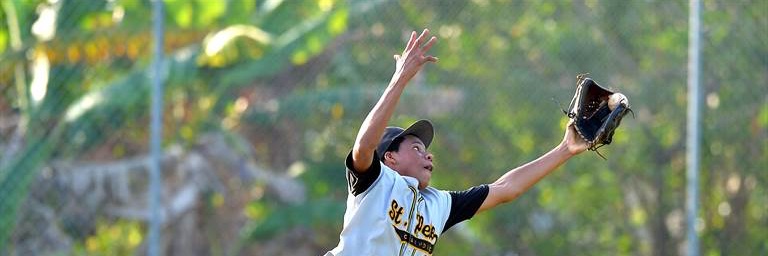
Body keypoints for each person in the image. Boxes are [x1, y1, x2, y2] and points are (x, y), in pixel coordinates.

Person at [326, 29, 588, 256]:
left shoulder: (438, 205)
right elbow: (364, 144)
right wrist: (401, 78)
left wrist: (565, 149)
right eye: (416, 148)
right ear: (389, 157)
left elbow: (506, 188)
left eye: (426, 150)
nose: (428, 156)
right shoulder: (374, 183)